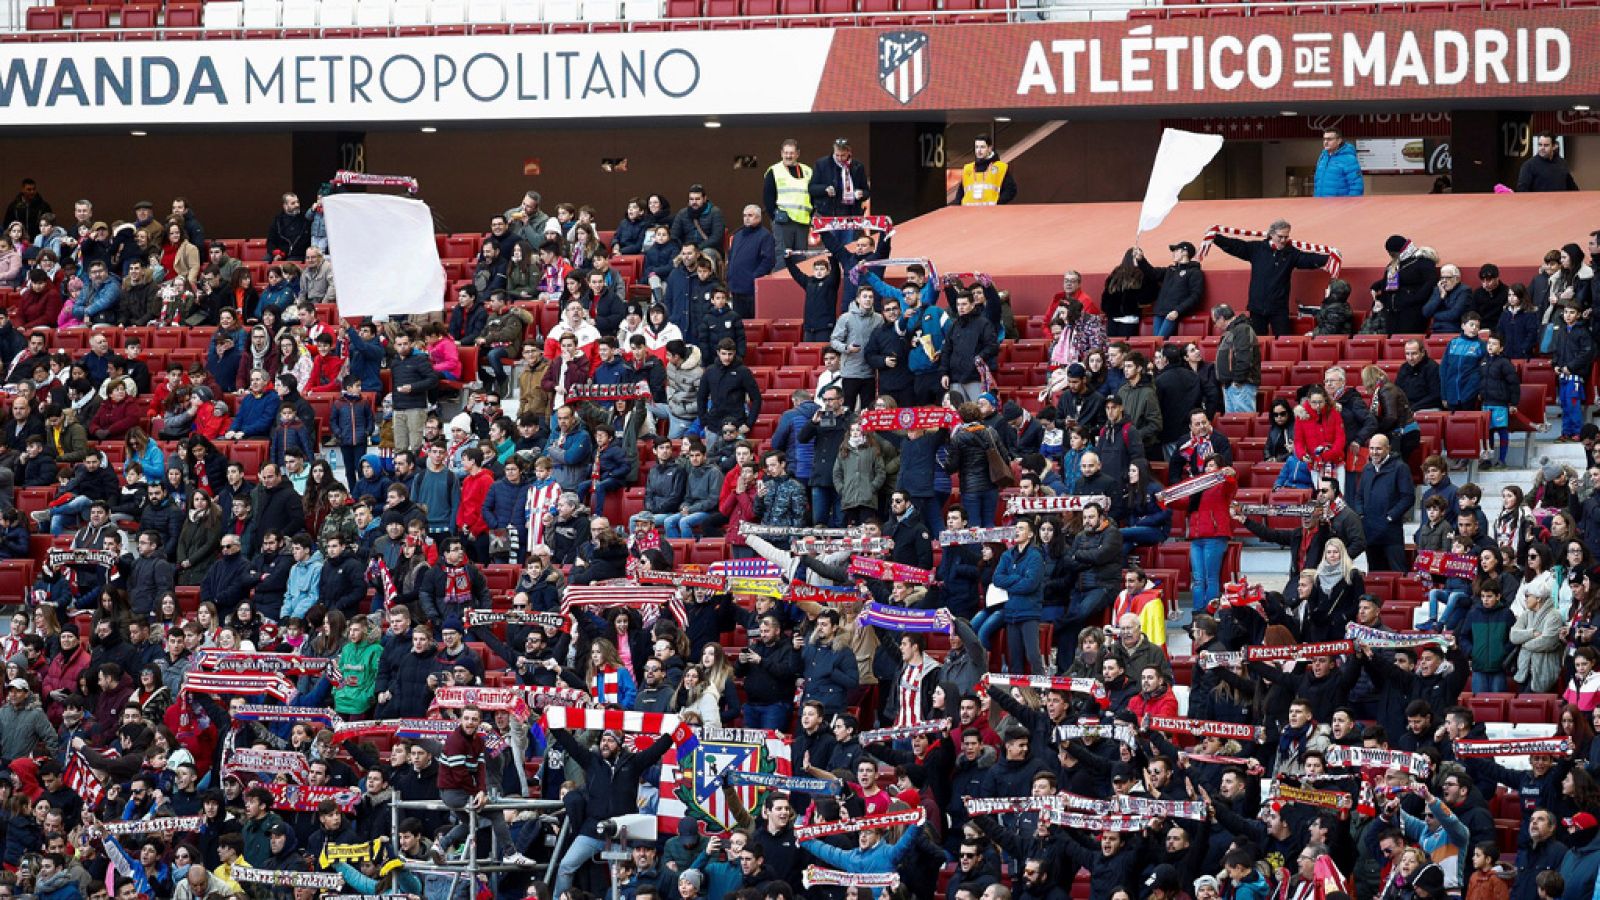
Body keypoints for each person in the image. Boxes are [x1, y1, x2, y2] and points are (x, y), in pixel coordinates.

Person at [434, 707, 536, 866]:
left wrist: (481, 791)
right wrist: (479, 793)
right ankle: (510, 853)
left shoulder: (478, 740)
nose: (470, 722)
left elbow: (482, 767)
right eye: (466, 718)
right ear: (460, 719)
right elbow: (460, 775)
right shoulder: (455, 741)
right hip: (455, 792)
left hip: (468, 791)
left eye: (474, 719)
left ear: (480, 722)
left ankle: (441, 845)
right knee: (495, 814)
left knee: (471, 823)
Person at [1207, 219, 1330, 337]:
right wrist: (1216, 238)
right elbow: (1236, 246)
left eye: (1286, 237)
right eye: (1280, 236)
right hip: (1257, 307)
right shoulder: (1257, 248)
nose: (1283, 240)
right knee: (1258, 342)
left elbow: (1308, 259)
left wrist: (1329, 258)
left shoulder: (1291, 253)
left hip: (1279, 309)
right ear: (1271, 234)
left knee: (1283, 341)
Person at [1213, 305, 1260, 414]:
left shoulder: (1242, 329)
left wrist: (1238, 380)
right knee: (1233, 425)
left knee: (1243, 423)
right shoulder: (1234, 330)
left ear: (1221, 318)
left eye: (1215, 321)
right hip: (1232, 386)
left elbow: (1244, 357)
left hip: (1240, 386)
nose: (1216, 326)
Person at [955, 134, 1018, 206]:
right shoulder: (968, 169)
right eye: (977, 147)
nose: (979, 150)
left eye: (982, 147)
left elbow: (1011, 190)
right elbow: (960, 193)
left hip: (990, 213)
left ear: (989, 148)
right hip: (968, 213)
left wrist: (997, 203)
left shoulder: (1000, 168)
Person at [1313, 128, 1365, 197]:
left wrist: (1351, 205)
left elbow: (1356, 186)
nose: (1326, 142)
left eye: (1329, 139)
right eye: (1324, 139)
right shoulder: (1323, 157)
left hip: (1340, 205)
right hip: (1320, 204)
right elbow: (1317, 183)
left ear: (1339, 141)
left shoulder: (1349, 159)